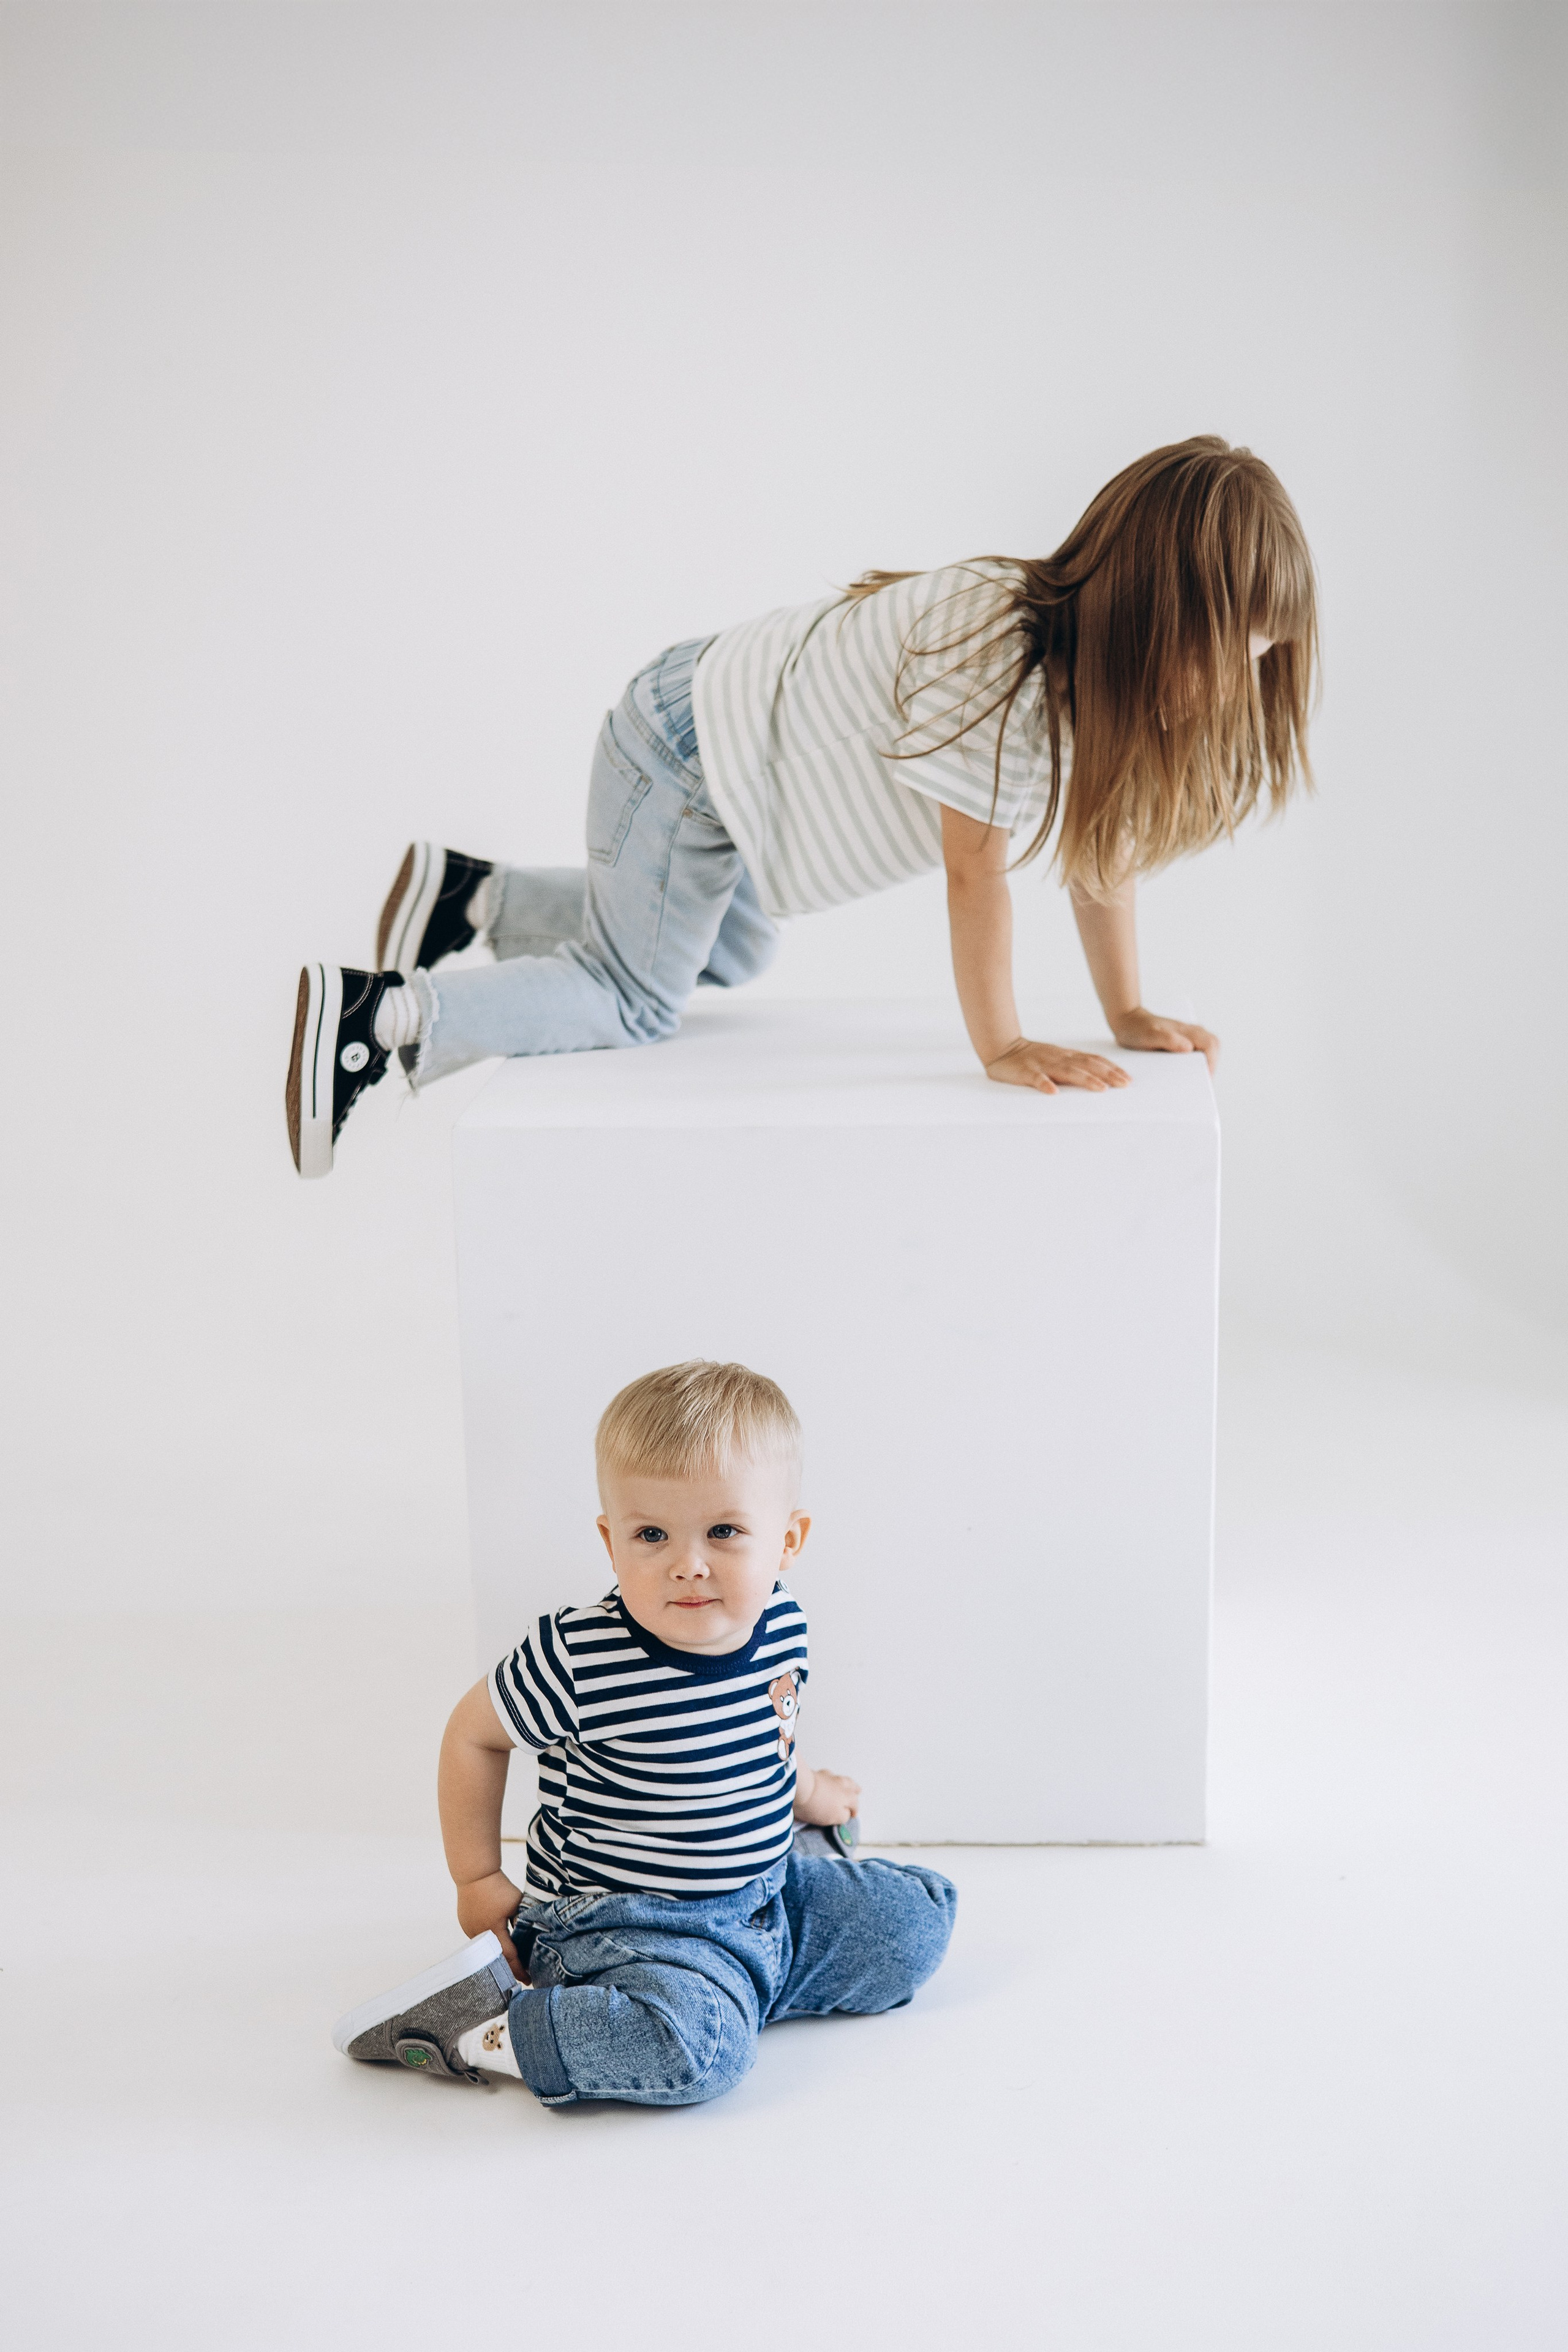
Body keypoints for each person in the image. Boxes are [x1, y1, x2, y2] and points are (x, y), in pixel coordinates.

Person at [288, 435, 1316, 1175]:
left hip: (718, 782)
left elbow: (1106, 861)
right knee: (633, 998)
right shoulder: (1002, 653)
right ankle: (380, 1021)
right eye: (1223, 653)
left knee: (740, 953)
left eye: (1257, 664)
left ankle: (472, 902)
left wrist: (1124, 1012)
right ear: (1148, 607)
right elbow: (976, 872)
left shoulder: (1094, 694)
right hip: (684, 761)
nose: (1231, 688)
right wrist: (1000, 1044)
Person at [333, 1360, 957, 2108]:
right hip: (619, 1922)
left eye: (724, 1531)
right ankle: (490, 2025)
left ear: (787, 1540)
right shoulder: (581, 1656)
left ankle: (737, 1989)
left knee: (916, 1921)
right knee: (697, 2057)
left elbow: (760, 1746)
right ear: (610, 1540)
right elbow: (472, 1735)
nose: (687, 1565)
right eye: (652, 1534)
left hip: (763, 1894)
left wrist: (812, 1794)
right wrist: (475, 1880)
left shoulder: (782, 1622)